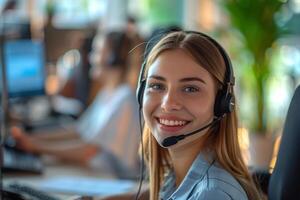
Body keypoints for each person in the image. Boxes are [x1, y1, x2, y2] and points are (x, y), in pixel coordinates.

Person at [101, 31, 263, 199]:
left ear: (221, 104)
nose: (168, 104)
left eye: (190, 89)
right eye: (157, 86)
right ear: (141, 93)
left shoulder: (212, 194)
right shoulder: (181, 174)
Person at [11, 31, 141, 179]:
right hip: (99, 174)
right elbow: (80, 130)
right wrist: (33, 138)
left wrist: (36, 147)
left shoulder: (125, 100)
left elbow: (87, 151)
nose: (90, 58)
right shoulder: (108, 93)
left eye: (96, 51)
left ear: (112, 58)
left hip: (117, 181)